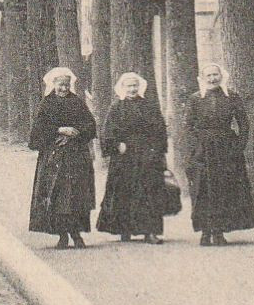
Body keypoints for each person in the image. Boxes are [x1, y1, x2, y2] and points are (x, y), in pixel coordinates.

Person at [183, 64, 254, 246]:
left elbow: (244, 124)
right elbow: (188, 126)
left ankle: (219, 232)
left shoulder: (231, 96)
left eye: (215, 75)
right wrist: (196, 147)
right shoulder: (195, 99)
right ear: (202, 77)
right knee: (203, 190)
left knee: (224, 190)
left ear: (221, 76)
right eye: (208, 75)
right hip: (203, 151)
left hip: (226, 149)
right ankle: (204, 231)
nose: (212, 79)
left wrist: (238, 146)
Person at [96, 72, 169, 245]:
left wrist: (156, 149)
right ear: (123, 88)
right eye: (129, 86)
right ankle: (124, 229)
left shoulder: (149, 106)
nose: (132, 89)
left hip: (146, 154)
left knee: (148, 191)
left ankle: (149, 232)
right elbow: (107, 131)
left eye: (135, 86)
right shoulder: (116, 107)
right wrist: (116, 145)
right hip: (124, 155)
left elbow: (159, 130)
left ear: (140, 87)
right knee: (123, 190)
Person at [28, 67, 97, 250]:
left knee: (76, 196)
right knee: (57, 196)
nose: (64, 89)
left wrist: (76, 132)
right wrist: (58, 130)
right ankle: (62, 235)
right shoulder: (46, 104)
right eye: (60, 85)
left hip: (75, 157)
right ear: (53, 85)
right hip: (53, 159)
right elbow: (37, 132)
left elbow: (90, 125)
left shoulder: (77, 102)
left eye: (66, 85)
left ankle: (77, 234)